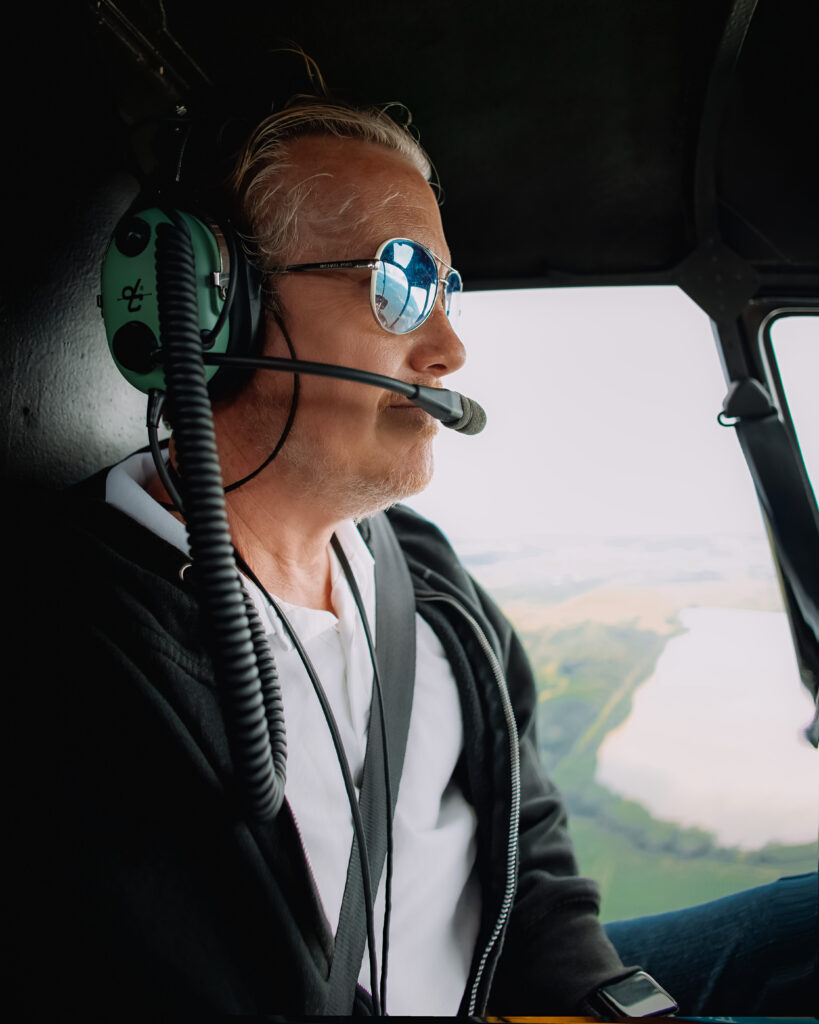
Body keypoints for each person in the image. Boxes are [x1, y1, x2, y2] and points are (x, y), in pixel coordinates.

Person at [6, 85, 816, 1016]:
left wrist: (591, 1002)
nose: (450, 348)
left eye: (445, 291)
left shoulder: (419, 570)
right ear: (214, 306)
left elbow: (529, 835)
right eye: (399, 283)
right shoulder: (66, 647)